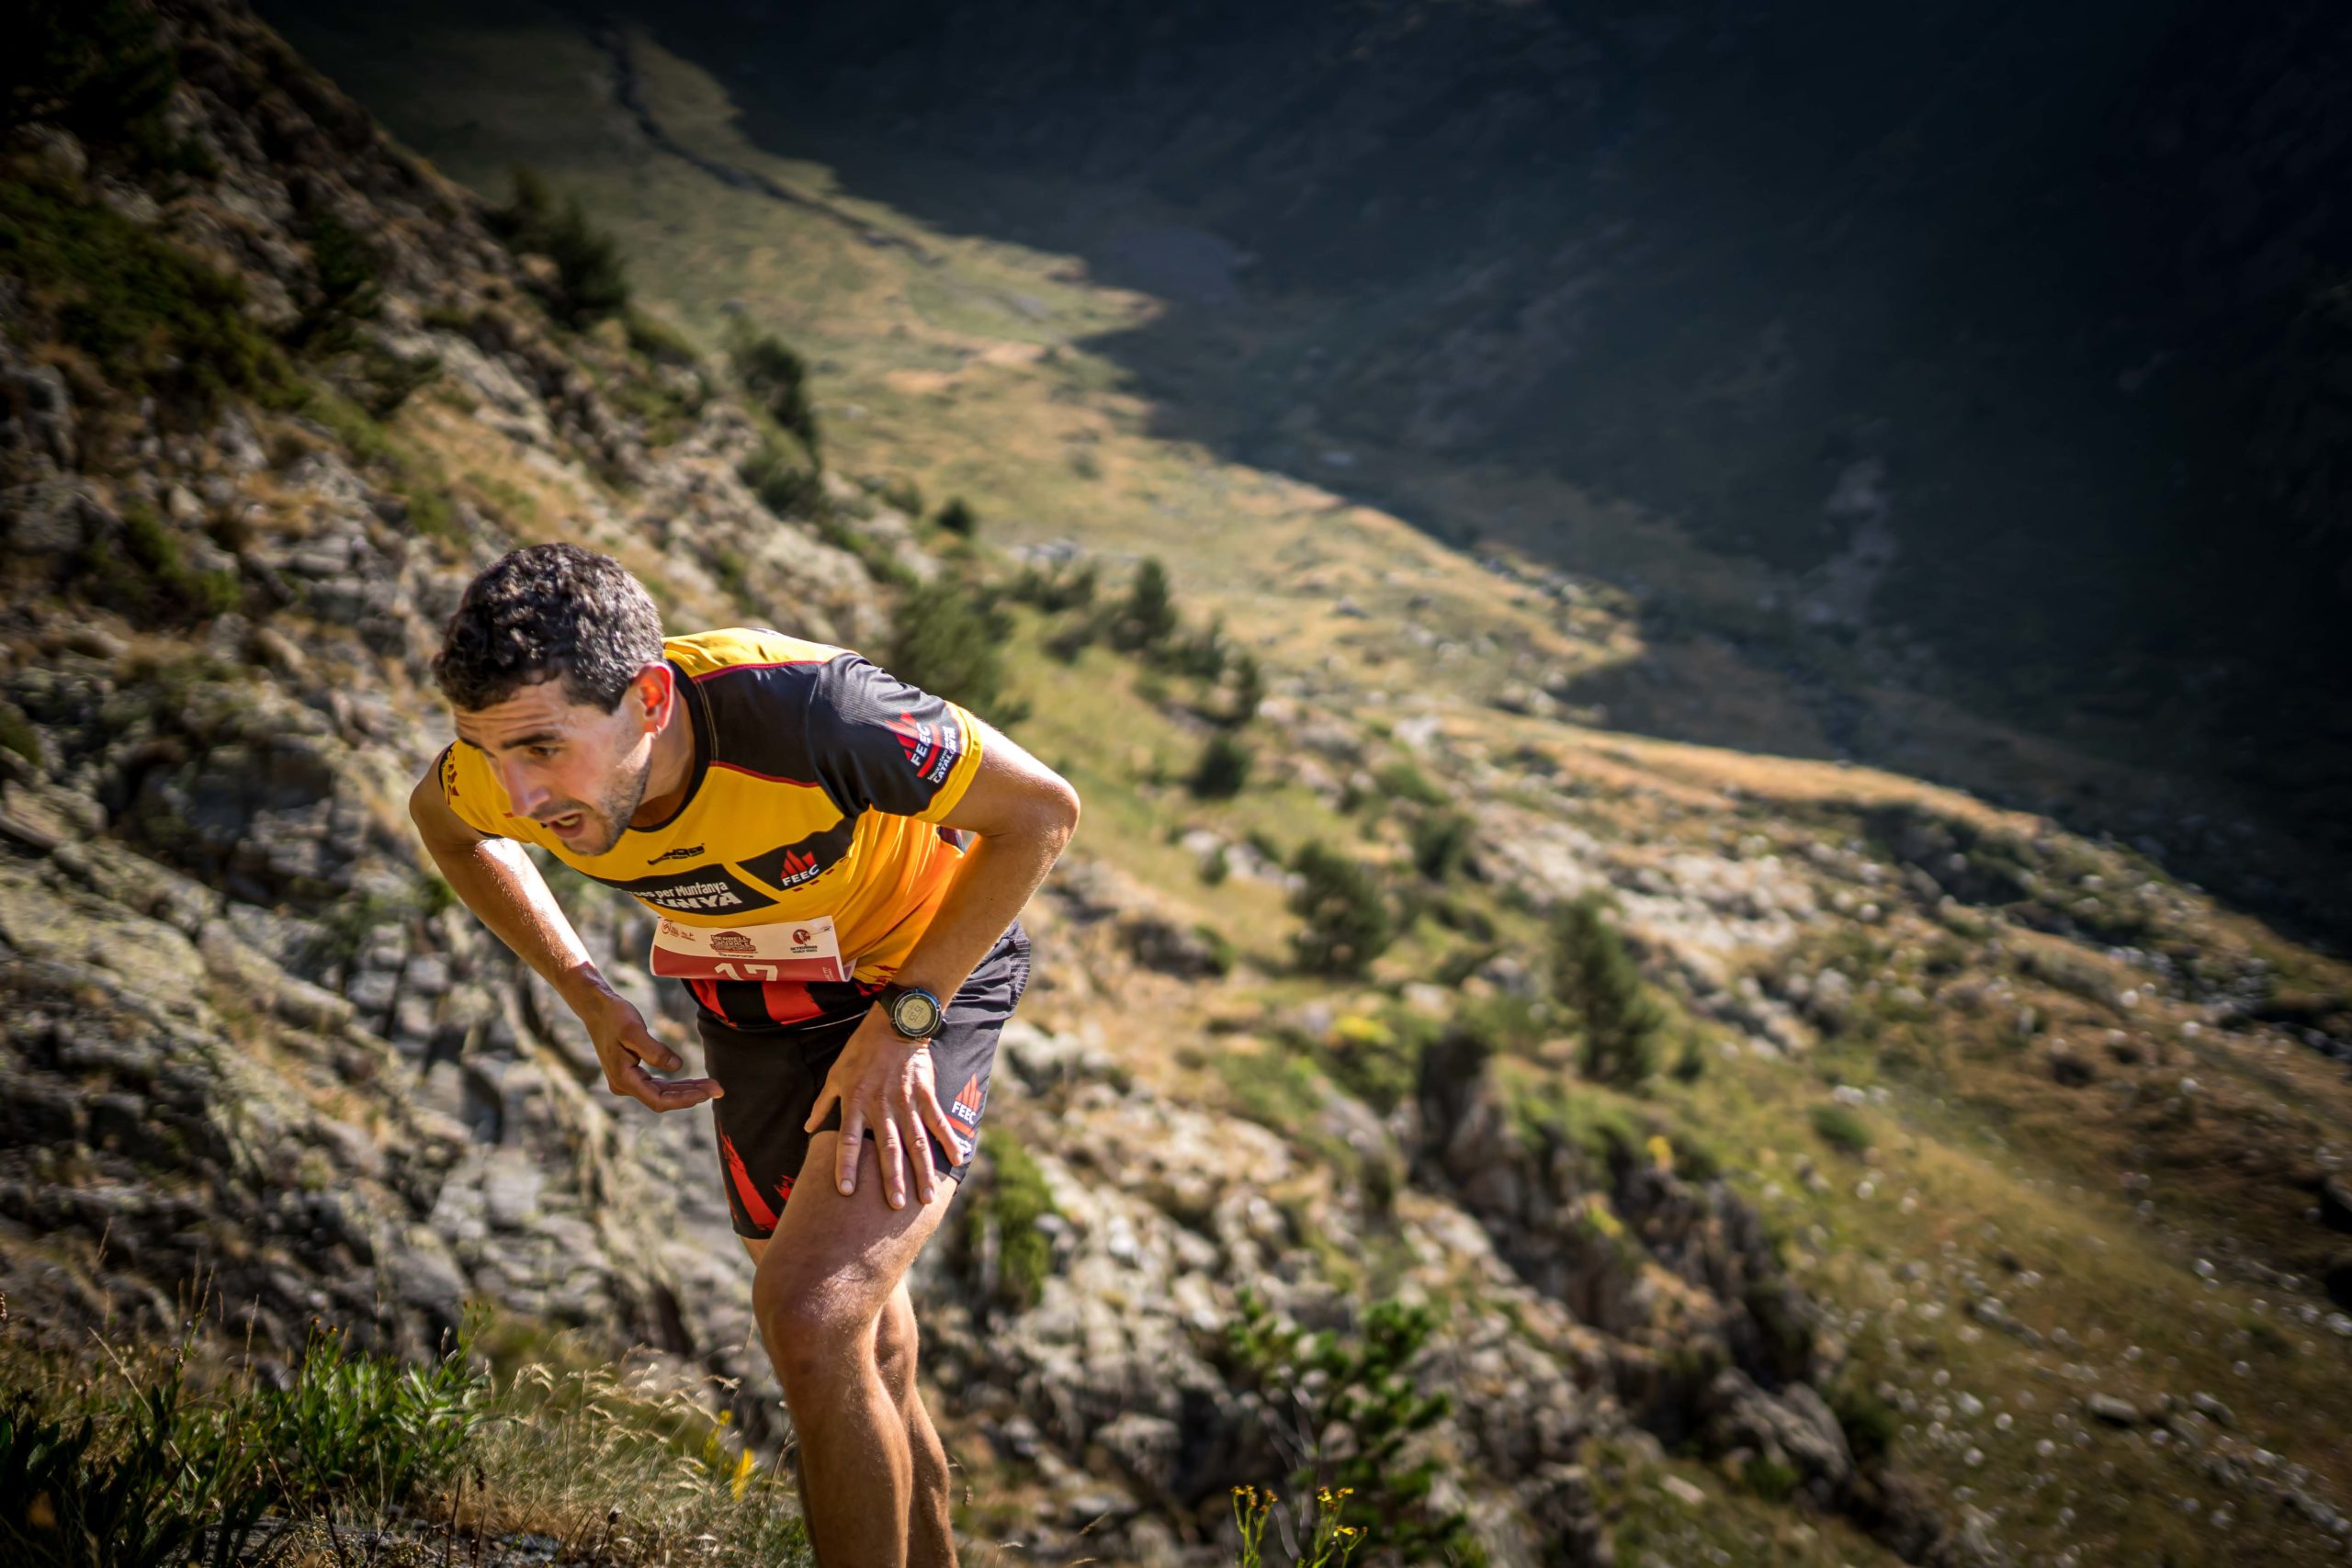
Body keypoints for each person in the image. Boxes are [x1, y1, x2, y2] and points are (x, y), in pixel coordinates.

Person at [408, 543, 1079, 1568]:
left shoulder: (817, 714)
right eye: (489, 753)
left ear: (648, 698)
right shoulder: (501, 775)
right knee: (868, 1349)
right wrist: (586, 993)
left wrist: (903, 1025)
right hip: (755, 1005)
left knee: (810, 1316)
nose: (520, 796)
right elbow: (449, 830)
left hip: (920, 976)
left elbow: (1041, 813)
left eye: (543, 750)